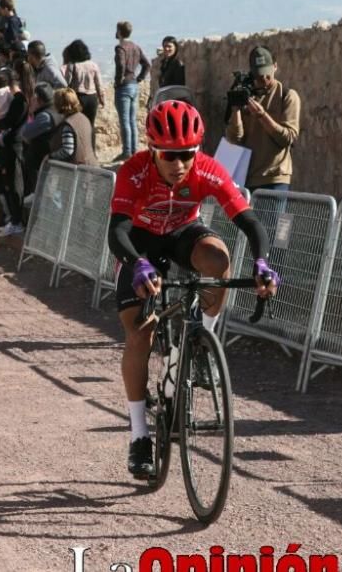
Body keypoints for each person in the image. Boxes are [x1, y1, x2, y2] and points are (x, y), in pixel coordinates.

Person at [108, 101, 279, 478]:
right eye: (169, 155)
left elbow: (249, 221)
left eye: (186, 154)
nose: (179, 164)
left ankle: (201, 339)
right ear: (154, 150)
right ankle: (139, 434)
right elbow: (117, 230)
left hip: (183, 233)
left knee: (218, 262)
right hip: (139, 242)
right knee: (139, 333)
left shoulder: (207, 170)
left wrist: (262, 262)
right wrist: (137, 263)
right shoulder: (134, 172)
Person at [225, 46, 301, 193]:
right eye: (259, 76)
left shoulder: (287, 96)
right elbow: (234, 139)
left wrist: (262, 116)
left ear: (275, 66)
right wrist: (236, 110)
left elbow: (288, 138)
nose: (265, 79)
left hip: (274, 179)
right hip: (246, 178)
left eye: (267, 74)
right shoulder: (247, 95)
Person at [0, 68, 29, 237]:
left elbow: (11, 122)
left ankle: (16, 221)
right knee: (10, 183)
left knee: (14, 184)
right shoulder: (18, 99)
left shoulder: (20, 99)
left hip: (14, 145)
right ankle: (13, 219)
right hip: (10, 144)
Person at [113, 21, 150, 162]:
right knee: (132, 120)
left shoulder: (120, 48)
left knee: (125, 121)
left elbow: (121, 64)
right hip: (134, 85)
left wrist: (119, 80)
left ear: (119, 32)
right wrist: (139, 78)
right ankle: (134, 150)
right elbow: (147, 65)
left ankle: (127, 151)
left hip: (124, 86)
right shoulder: (136, 47)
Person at [20, 82, 60, 198]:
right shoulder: (53, 109)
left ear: (38, 99)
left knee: (43, 193)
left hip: (41, 160)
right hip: (46, 158)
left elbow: (25, 133)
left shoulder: (45, 116)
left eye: (33, 97)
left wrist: (31, 112)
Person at [61, 39, 103, 146]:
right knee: (91, 125)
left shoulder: (73, 65)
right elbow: (99, 85)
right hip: (92, 98)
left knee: (77, 125)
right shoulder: (93, 65)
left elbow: (66, 82)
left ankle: (80, 149)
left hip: (79, 98)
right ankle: (92, 151)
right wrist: (102, 99)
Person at [49, 88, 97, 166]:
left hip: (78, 171)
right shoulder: (83, 117)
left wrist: (50, 156)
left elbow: (68, 150)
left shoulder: (68, 125)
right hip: (90, 165)